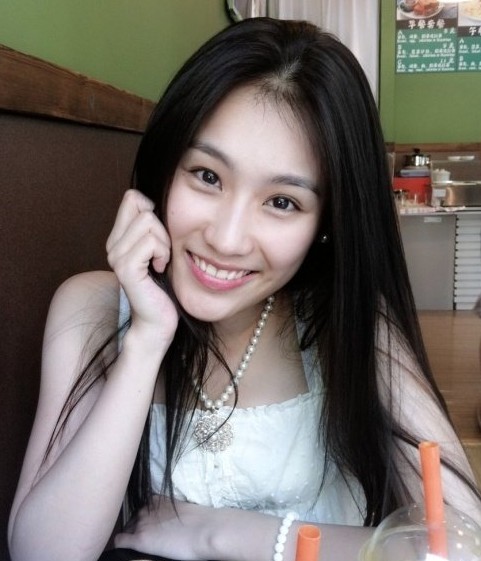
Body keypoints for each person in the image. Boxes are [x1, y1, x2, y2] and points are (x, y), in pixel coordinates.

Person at [8, 17, 481, 561]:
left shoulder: (348, 324)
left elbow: (459, 547)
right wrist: (145, 340)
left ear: (325, 222)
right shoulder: (91, 309)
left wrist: (220, 532)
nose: (226, 239)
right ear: (167, 165)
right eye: (207, 176)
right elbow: (43, 552)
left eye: (282, 202)